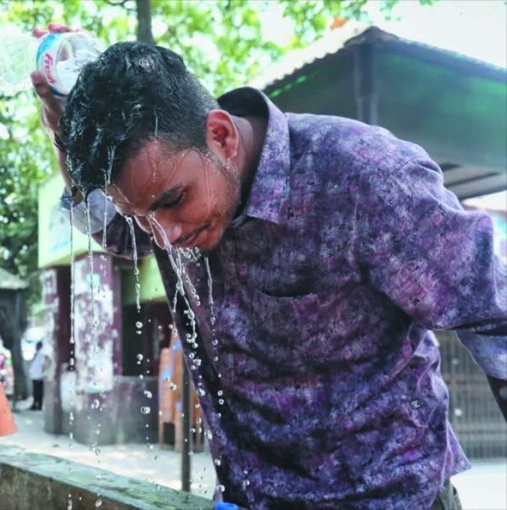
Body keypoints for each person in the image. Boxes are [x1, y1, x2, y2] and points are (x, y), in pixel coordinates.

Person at [31, 25, 506, 510]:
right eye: (143, 216)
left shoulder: (363, 178)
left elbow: (497, 315)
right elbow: (109, 229)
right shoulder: (169, 210)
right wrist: (60, 129)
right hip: (249, 498)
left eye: (174, 200)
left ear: (220, 135)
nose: (165, 236)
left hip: (389, 497)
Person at [28, 341, 46, 411]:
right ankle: (35, 403)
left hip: (39, 376)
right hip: (35, 375)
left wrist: (42, 374)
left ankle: (39, 405)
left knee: (38, 392)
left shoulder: (41, 354)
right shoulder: (37, 354)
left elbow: (43, 364)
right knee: (35, 391)